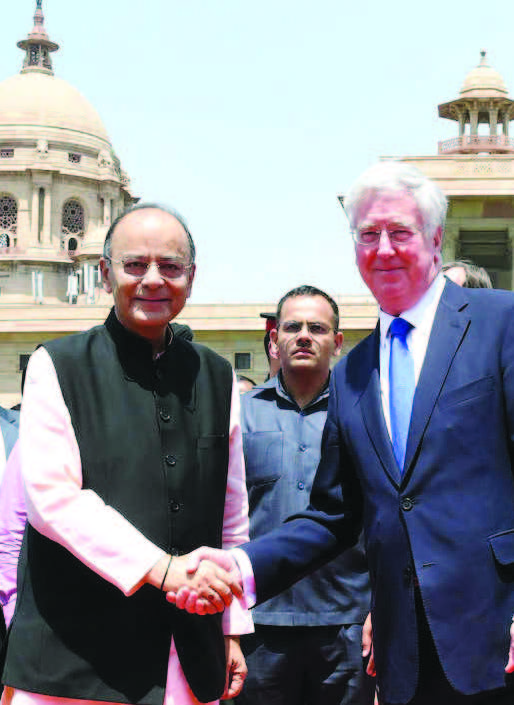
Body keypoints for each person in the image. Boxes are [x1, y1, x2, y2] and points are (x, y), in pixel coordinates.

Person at [180, 161, 514, 704]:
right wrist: (240, 565)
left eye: (400, 232)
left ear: (433, 239)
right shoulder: (355, 372)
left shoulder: (500, 323)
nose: (383, 249)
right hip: (405, 650)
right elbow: (335, 514)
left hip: (497, 636)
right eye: (368, 235)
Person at [1, 203, 253, 705]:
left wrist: (232, 628)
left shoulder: (215, 375)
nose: (153, 280)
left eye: (171, 267)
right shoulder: (59, 365)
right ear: (104, 272)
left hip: (185, 653)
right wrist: (161, 568)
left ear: (192, 277)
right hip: (72, 659)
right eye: (135, 265)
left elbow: (229, 513)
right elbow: (54, 500)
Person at [238, 285, 372, 705]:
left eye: (317, 327)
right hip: (259, 625)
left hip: (347, 625)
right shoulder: (240, 415)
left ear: (338, 342)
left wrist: (382, 608)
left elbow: (387, 516)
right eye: (292, 326)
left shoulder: (365, 415)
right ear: (274, 338)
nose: (303, 336)